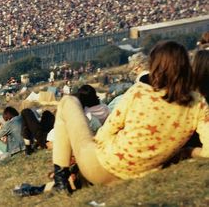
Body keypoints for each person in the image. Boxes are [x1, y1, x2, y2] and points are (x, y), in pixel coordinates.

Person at [50, 41, 209, 194]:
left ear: (156, 67)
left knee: (67, 101)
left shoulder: (140, 91)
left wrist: (82, 157)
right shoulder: (198, 105)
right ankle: (57, 183)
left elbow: (107, 131)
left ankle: (60, 181)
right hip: (136, 174)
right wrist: (187, 152)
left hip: (100, 167)